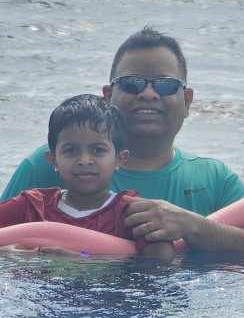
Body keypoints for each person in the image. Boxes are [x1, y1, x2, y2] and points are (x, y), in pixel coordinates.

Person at [1, 27, 244, 253]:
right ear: (108, 96)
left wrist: (191, 225)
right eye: (132, 83)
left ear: (186, 101)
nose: (149, 94)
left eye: (165, 84)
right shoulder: (47, 164)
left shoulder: (214, 178)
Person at [0, 94, 175, 258]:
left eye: (98, 150)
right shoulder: (31, 206)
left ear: (119, 159)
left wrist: (86, 260)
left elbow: (162, 257)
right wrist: (6, 255)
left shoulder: (128, 211)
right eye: (71, 150)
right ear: (53, 160)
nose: (84, 160)